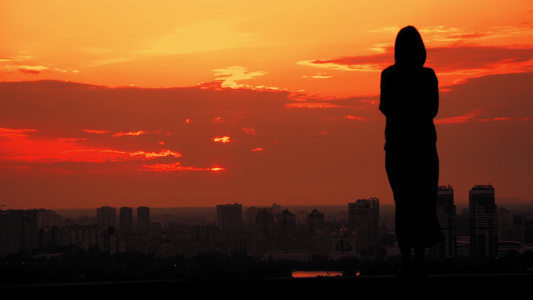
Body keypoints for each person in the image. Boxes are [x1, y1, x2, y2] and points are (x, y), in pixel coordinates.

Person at [379, 26, 443, 277]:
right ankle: (417, 261)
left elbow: (386, 107)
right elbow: (433, 110)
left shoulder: (389, 75)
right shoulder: (428, 76)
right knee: (423, 204)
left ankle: (408, 262)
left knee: (403, 205)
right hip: (424, 149)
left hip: (399, 149)